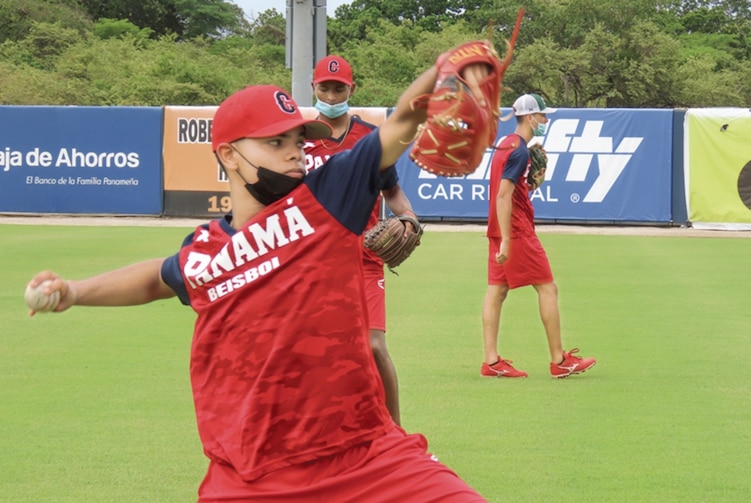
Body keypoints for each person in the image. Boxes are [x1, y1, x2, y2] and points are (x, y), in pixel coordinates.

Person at [26, 48, 492, 501]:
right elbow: (158, 278)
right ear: (229, 156)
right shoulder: (205, 251)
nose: (295, 154)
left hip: (364, 458)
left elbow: (402, 123)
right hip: (251, 478)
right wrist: (73, 292)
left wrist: (441, 71)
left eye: (297, 142)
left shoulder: (326, 199)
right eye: (275, 143)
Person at [305, 54, 414, 425]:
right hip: (313, 262)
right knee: (315, 353)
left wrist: (410, 219)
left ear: (353, 89)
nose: (333, 96)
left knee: (373, 344)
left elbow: (393, 193)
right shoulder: (297, 137)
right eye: (326, 88)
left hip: (363, 257)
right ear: (313, 88)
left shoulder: (369, 139)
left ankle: (396, 433)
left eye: (340, 88)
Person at [481, 93, 596, 379]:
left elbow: (511, 190)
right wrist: (508, 239)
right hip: (515, 230)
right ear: (530, 117)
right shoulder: (519, 150)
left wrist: (535, 180)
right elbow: (503, 195)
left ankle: (491, 362)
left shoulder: (506, 145)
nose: (545, 120)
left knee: (497, 291)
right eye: (542, 116)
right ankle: (559, 360)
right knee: (548, 288)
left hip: (498, 227)